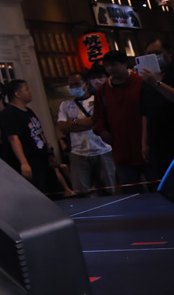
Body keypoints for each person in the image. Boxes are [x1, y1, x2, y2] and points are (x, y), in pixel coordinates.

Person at [0, 79, 68, 195]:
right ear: (18, 94)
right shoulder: (9, 113)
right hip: (30, 159)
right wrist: (24, 162)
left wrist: (48, 153)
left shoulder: (28, 111)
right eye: (26, 89)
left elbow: (39, 132)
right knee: (40, 191)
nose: (30, 92)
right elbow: (14, 139)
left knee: (54, 191)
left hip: (41, 157)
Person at [93, 50, 149, 190]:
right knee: (131, 193)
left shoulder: (141, 82)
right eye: (107, 65)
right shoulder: (103, 90)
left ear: (124, 64)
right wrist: (102, 131)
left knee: (157, 189)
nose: (110, 68)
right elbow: (98, 117)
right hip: (121, 151)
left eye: (114, 64)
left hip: (146, 148)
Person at [58, 72, 115, 196]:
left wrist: (73, 122)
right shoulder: (65, 105)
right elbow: (62, 126)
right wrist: (86, 123)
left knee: (109, 191)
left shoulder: (97, 100)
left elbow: (96, 121)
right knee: (81, 193)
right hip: (78, 153)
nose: (74, 87)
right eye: (71, 85)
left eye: (77, 84)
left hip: (102, 150)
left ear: (86, 84)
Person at [139, 38, 174, 184]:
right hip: (157, 141)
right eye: (149, 54)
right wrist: (144, 142)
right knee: (163, 182)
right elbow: (145, 113)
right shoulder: (146, 80)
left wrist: (157, 83)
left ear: (169, 52)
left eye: (157, 53)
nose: (153, 57)